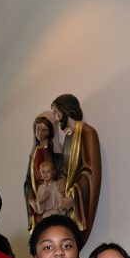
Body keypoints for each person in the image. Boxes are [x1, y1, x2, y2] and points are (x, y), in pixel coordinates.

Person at [50, 94, 101, 243]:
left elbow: (90, 172)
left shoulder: (88, 133)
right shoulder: (68, 137)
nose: (55, 118)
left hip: (78, 200)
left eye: (56, 112)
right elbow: (67, 168)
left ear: (65, 110)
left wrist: (73, 197)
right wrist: (62, 178)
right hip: (67, 201)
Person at [23, 115, 60, 230]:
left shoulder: (55, 152)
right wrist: (31, 199)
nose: (40, 133)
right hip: (37, 196)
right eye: (38, 129)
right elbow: (28, 181)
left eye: (44, 130)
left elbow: (61, 174)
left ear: (50, 132)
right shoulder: (33, 154)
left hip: (52, 197)